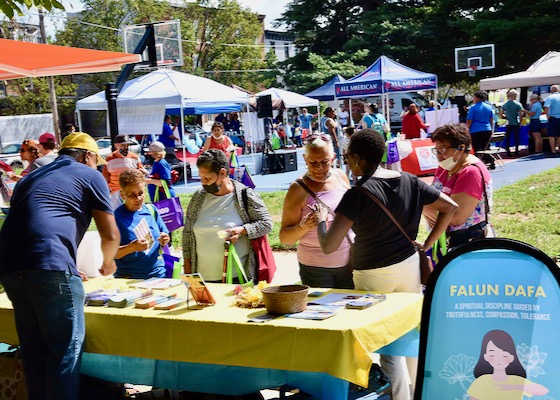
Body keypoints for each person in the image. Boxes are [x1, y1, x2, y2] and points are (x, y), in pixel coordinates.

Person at [312, 129, 457, 400]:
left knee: (389, 345)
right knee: (412, 335)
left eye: (347, 158)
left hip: (373, 274)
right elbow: (450, 206)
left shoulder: (358, 193)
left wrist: (322, 219)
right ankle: (421, 393)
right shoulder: (409, 180)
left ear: (356, 158)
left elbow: (328, 246)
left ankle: (400, 397)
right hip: (409, 266)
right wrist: (427, 243)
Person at [0, 132, 119, 400]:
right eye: (95, 161)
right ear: (87, 156)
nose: (97, 166)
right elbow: (110, 234)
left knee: (34, 350)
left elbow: (37, 220)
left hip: (10, 264)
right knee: (65, 349)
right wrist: (108, 262)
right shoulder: (89, 175)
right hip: (48, 264)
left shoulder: (31, 176)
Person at [182, 149, 272, 282]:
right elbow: (187, 233)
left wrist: (242, 230)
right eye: (201, 178)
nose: (203, 183)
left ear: (222, 173)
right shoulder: (198, 198)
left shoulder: (245, 195)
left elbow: (266, 224)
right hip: (202, 278)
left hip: (237, 278)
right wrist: (188, 267)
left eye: (207, 178)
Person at [279, 133, 353, 289]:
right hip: (316, 269)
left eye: (325, 162)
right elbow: (285, 238)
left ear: (333, 158)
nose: (319, 168)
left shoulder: (341, 176)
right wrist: (303, 227)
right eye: (313, 162)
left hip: (349, 262)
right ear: (305, 159)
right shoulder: (297, 189)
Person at [423, 124, 493, 249]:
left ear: (461, 148)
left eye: (443, 149)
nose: (438, 155)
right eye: (436, 150)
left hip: (466, 242)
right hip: (445, 241)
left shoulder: (471, 172)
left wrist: (421, 205)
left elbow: (456, 218)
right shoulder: (445, 167)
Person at [114, 169, 170, 279]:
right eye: (132, 195)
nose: (138, 199)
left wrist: (165, 239)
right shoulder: (116, 218)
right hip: (130, 278)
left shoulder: (151, 210)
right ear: (122, 195)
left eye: (141, 193)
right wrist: (131, 248)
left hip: (158, 274)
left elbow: (165, 236)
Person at [467, 330, 549, 399]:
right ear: (486, 357)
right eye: (492, 355)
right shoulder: (482, 380)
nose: (499, 359)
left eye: (504, 355)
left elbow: (543, 391)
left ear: (511, 358)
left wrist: (514, 387)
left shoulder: (517, 380)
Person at [102, 134, 147, 209]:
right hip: (115, 191)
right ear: (116, 146)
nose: (126, 148)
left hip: (132, 190)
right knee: (116, 214)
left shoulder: (134, 157)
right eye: (123, 145)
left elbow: (141, 172)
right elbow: (105, 176)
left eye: (127, 146)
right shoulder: (109, 159)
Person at [466, 91, 494, 168]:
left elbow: (469, 121)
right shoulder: (488, 107)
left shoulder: (473, 108)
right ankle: (490, 161)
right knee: (486, 147)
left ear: (477, 98)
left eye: (474, 97)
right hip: (487, 129)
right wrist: (491, 129)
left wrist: (466, 130)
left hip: (475, 130)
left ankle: (480, 164)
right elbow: (491, 119)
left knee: (478, 148)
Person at [501, 89, 523, 156]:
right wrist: (520, 122)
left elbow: (501, 114)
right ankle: (516, 151)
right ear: (514, 95)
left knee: (508, 137)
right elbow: (521, 114)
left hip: (508, 123)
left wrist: (505, 117)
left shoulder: (505, 104)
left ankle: (508, 151)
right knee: (516, 137)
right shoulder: (518, 104)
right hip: (516, 122)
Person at [544, 84, 560, 156]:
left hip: (553, 118)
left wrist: (547, 115)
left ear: (551, 90)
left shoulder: (550, 97)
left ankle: (553, 150)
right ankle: (559, 148)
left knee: (551, 135)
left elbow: (546, 107)